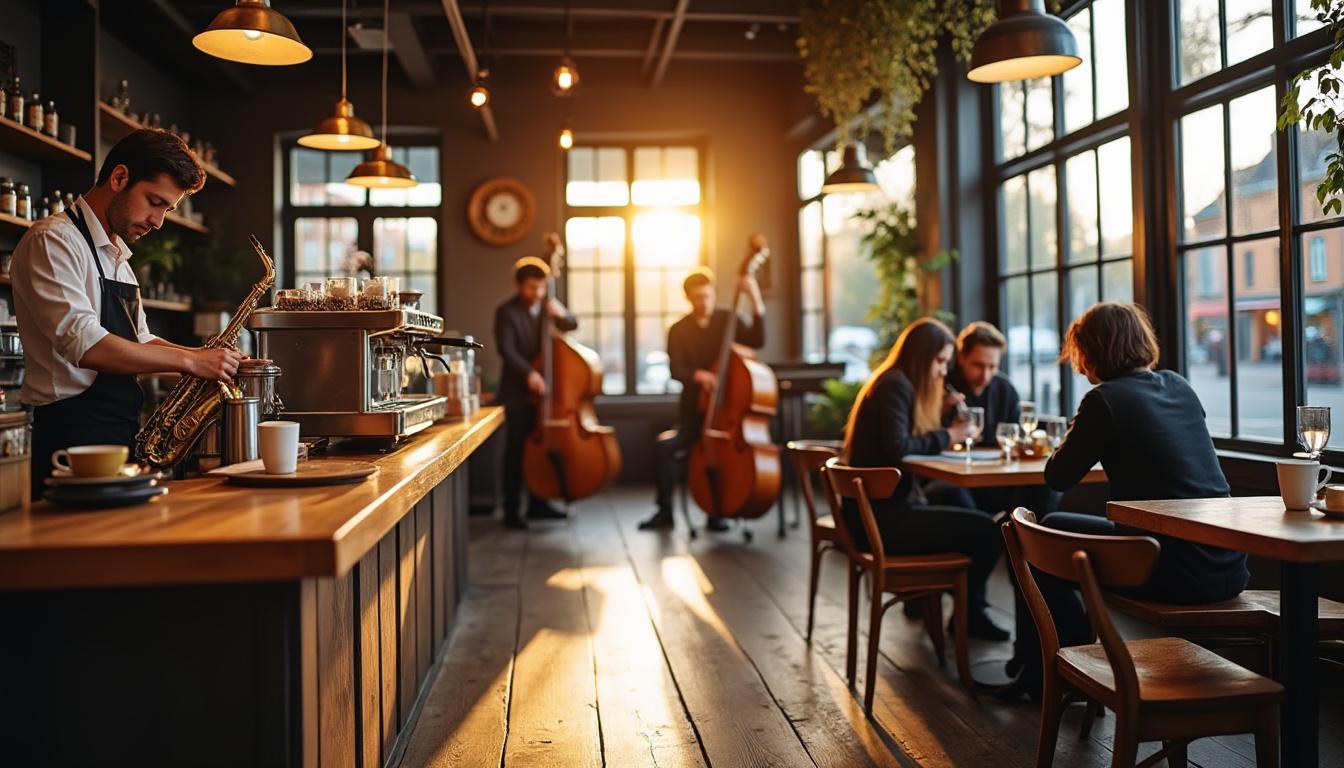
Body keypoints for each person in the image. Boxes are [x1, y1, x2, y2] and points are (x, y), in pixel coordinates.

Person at [1000, 301, 1249, 699]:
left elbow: (1057, 475)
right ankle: (1061, 665)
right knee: (1051, 531)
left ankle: (1056, 669)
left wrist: (1076, 434)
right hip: (1227, 564)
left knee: (1035, 535)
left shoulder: (1106, 400)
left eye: (1080, 355)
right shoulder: (1179, 385)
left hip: (1166, 566)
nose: (1079, 367)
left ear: (1094, 352)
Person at [12, 129, 239, 497]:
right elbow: (86, 346)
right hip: (70, 439)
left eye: (167, 209)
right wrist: (190, 362)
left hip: (118, 433)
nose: (158, 221)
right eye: (154, 202)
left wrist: (208, 359)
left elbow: (141, 340)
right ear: (119, 178)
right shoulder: (53, 241)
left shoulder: (118, 259)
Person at [841, 317, 1010, 640]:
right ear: (923, 357)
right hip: (881, 523)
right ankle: (962, 606)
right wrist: (950, 434)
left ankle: (945, 601)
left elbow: (903, 438)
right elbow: (899, 448)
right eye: (941, 361)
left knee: (955, 497)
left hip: (878, 512)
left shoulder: (895, 382)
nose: (944, 371)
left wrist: (941, 415)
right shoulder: (896, 385)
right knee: (992, 531)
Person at [638, 267, 765, 531]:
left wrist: (754, 297)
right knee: (663, 448)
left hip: (728, 416)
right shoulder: (678, 330)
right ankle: (665, 512)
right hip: (693, 417)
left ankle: (718, 511)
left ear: (714, 294)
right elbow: (676, 370)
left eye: (707, 296)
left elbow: (757, 340)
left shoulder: (728, 319)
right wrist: (699, 375)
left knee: (724, 456)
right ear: (688, 298)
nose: (704, 302)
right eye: (698, 297)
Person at [928, 321, 1058, 517]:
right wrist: (939, 412)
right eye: (978, 365)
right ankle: (987, 541)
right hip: (952, 478)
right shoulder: (940, 384)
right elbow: (922, 435)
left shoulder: (1004, 390)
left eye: (992, 366)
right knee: (949, 493)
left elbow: (1014, 441)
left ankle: (1032, 545)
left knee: (1042, 487)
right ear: (961, 357)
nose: (985, 375)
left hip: (995, 479)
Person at [493, 256, 578, 530]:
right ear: (519, 286)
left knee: (541, 447)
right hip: (518, 391)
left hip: (547, 395)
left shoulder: (546, 307)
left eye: (541, 288)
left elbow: (572, 324)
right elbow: (507, 349)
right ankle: (512, 510)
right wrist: (529, 373)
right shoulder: (506, 311)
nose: (537, 293)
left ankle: (539, 504)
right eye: (532, 288)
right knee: (517, 449)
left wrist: (562, 314)